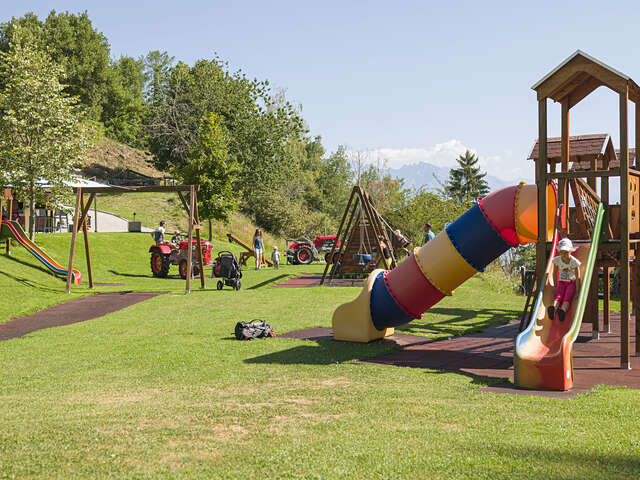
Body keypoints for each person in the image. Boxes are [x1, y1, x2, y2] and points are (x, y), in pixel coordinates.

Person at [548, 238, 581, 322]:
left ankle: (562, 311)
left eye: (566, 252)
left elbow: (577, 277)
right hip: (561, 282)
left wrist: (577, 291)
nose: (564, 255)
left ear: (570, 251)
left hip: (571, 283)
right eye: (562, 253)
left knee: (567, 297)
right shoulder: (557, 260)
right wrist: (555, 285)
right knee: (558, 296)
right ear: (559, 252)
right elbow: (555, 273)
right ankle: (553, 309)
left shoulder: (574, 262)